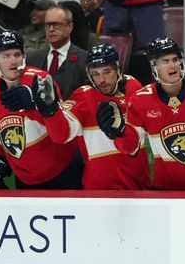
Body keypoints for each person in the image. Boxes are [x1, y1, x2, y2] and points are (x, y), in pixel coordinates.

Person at [97, 37, 185, 191]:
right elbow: (131, 147)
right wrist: (118, 134)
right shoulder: (140, 100)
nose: (172, 65)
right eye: (164, 61)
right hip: (165, 194)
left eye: (175, 59)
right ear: (154, 68)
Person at [0, 30, 84, 189]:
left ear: (24, 56)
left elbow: (62, 132)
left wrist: (34, 106)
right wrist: (0, 158)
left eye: (17, 54)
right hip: (25, 180)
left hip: (63, 173)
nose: (13, 61)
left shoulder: (41, 80)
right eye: (5, 56)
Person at [47, 44, 151, 190]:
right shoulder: (83, 96)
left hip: (138, 186)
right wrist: (50, 111)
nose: (102, 79)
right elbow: (61, 135)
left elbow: (133, 144)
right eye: (96, 74)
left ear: (117, 69)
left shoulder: (133, 86)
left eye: (107, 71)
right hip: (99, 190)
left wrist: (120, 132)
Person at [26, 5, 89, 99]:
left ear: (70, 27)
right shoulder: (32, 58)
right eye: (47, 25)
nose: (51, 29)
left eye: (56, 24)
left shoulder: (84, 59)